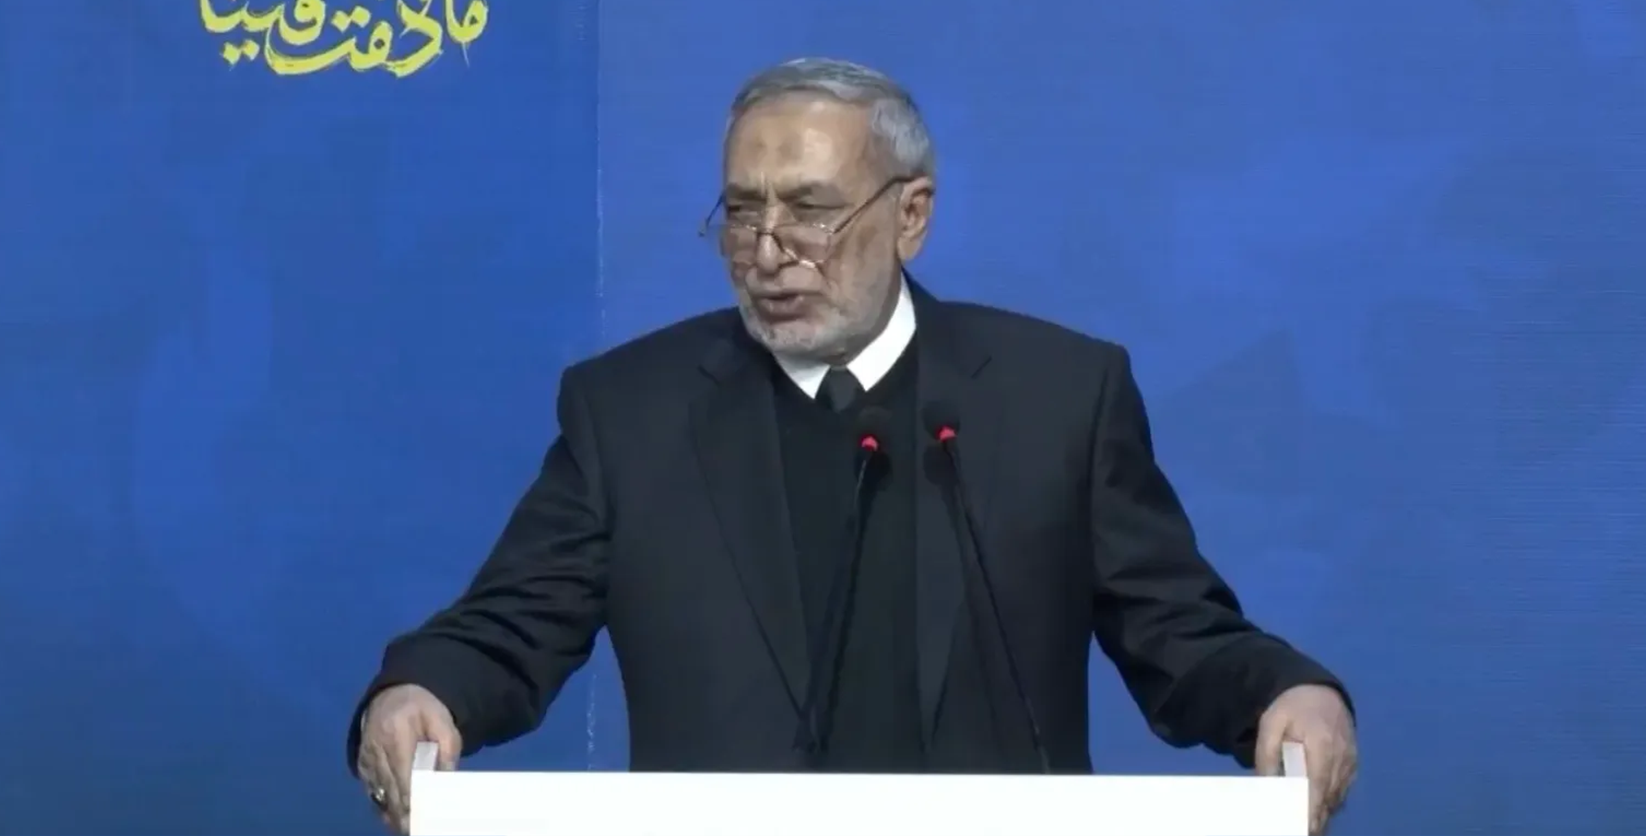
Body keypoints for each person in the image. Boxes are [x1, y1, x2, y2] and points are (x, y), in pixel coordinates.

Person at [350, 58, 1358, 834]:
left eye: (811, 211)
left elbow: (1176, 629)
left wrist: (1284, 693)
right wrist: (419, 692)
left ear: (910, 216)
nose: (766, 251)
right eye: (741, 212)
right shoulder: (632, 412)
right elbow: (510, 625)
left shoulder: (1057, 397)